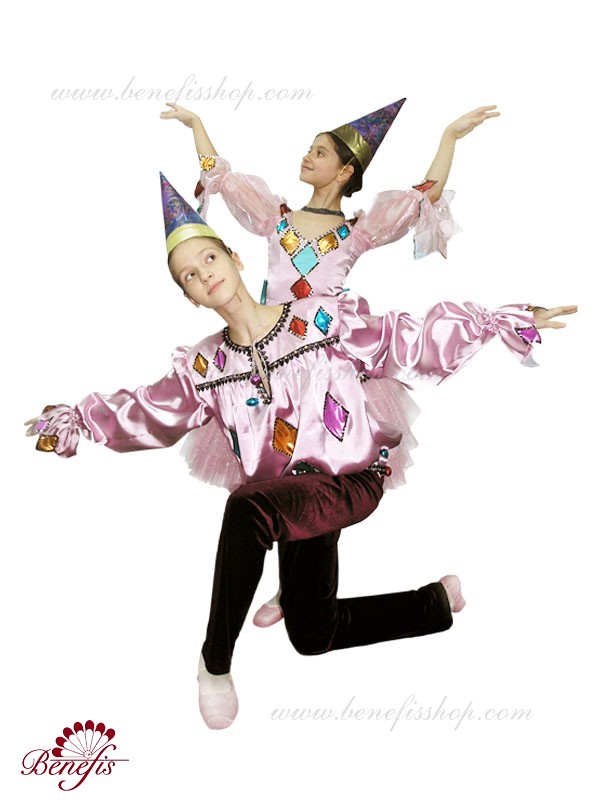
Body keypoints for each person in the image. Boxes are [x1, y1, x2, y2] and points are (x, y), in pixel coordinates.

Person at [26, 175, 575, 729]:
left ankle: (214, 661)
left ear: (235, 258)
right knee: (313, 635)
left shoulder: (319, 321)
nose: (205, 274)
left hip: (347, 480)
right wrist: (76, 421)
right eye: (189, 275)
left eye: (209, 258)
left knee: (247, 508)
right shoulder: (203, 367)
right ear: (189, 296)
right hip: (289, 499)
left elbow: (407, 337)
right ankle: (434, 603)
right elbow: (145, 409)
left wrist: (503, 319)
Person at [161, 98, 500, 625]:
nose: (308, 156)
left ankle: (294, 590)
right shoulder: (274, 217)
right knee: (273, 465)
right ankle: (292, 588)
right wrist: (197, 127)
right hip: (270, 359)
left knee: (323, 466)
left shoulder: (356, 232)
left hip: (325, 365)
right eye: (310, 148)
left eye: (320, 153)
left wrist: (449, 137)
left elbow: (423, 196)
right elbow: (220, 178)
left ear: (344, 171)